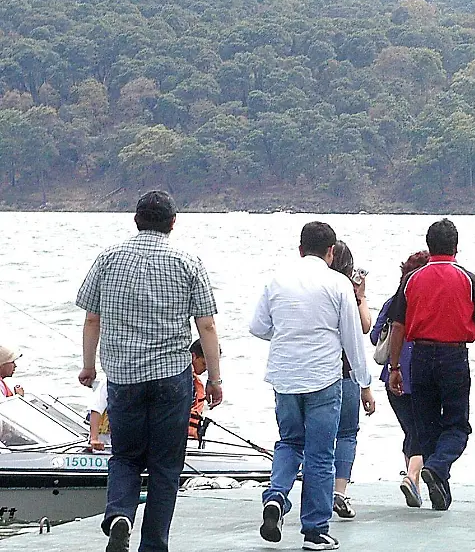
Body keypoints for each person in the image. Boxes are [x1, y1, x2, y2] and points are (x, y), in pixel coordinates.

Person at [75, 190, 223, 552]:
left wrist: (89, 366)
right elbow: (206, 326)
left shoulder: (107, 258)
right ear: (173, 223)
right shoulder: (188, 262)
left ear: (135, 220)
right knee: (166, 466)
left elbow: (92, 318)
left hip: (123, 377)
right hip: (172, 378)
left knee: (124, 456)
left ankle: (120, 514)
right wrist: (215, 380)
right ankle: (154, 545)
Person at [250, 222, 375, 551]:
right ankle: (315, 531)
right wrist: (364, 384)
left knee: (289, 442)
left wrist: (287, 333)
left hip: (284, 377)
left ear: (300, 248)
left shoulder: (276, 280)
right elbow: (352, 340)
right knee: (320, 454)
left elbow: (258, 326)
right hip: (323, 379)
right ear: (331, 252)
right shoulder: (338, 284)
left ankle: (276, 496)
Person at [387, 218, 475, 512]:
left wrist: (395, 367)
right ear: (456, 247)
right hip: (453, 356)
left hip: (420, 357)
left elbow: (397, 327)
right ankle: (437, 468)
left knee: (427, 427)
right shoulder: (469, 280)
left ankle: (439, 487)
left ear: (429, 245)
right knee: (457, 426)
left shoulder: (411, 280)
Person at [369, 251, 429, 508]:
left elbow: (375, 336)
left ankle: (414, 484)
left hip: (393, 377)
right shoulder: (430, 300)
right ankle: (412, 478)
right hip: (422, 373)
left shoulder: (393, 301)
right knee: (423, 431)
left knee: (410, 430)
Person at [327, 241, 375, 519]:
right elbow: (365, 326)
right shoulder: (347, 291)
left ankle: (315, 489)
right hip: (346, 372)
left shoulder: (316, 287)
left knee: (316, 435)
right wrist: (362, 296)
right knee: (346, 433)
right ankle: (339, 491)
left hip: (316, 373)